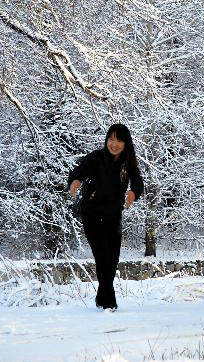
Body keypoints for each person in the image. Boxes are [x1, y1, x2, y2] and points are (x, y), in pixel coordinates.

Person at [68, 124, 144, 311]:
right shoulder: (96, 157)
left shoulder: (128, 163)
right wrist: (75, 181)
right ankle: (109, 301)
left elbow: (138, 183)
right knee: (101, 254)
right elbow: (78, 171)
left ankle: (101, 298)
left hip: (113, 214)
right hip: (91, 212)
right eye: (111, 139)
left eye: (118, 140)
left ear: (126, 143)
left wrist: (133, 194)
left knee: (112, 257)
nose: (114, 144)